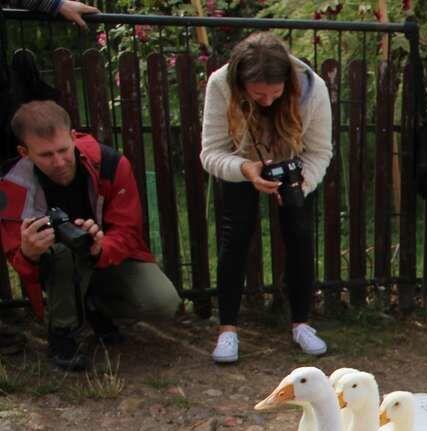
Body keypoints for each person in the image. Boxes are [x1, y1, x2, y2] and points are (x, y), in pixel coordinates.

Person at [0, 100, 180, 371]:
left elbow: (128, 231)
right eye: (46, 155)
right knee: (62, 253)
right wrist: (29, 253)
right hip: (56, 265)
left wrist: (100, 246)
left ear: (74, 137)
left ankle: (94, 307)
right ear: (24, 152)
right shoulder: (12, 185)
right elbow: (19, 261)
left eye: (63, 150)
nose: (59, 162)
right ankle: (62, 335)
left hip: (105, 257)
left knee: (162, 302)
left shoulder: (110, 163)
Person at [200, 32, 332, 364]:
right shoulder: (220, 84)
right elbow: (211, 153)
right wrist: (245, 169)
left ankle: (301, 323)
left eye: (276, 93)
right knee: (235, 235)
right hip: (241, 163)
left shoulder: (313, 88)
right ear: (240, 83)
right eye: (259, 94)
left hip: (294, 166)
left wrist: (302, 184)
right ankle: (227, 329)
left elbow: (320, 151)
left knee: (300, 234)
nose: (268, 102)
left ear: (288, 81)